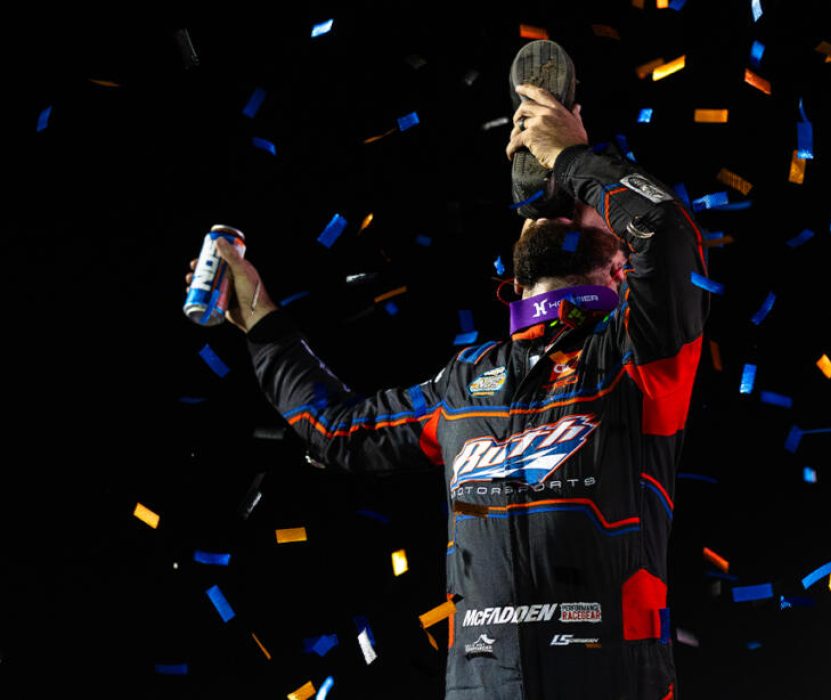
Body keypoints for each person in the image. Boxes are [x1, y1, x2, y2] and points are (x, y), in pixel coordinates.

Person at [185, 76, 709, 700]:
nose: (556, 200)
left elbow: (668, 234)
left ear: (623, 265)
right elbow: (334, 429)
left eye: (576, 200)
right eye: (544, 201)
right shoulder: (462, 384)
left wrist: (572, 158)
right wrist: (261, 322)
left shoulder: (640, 350)